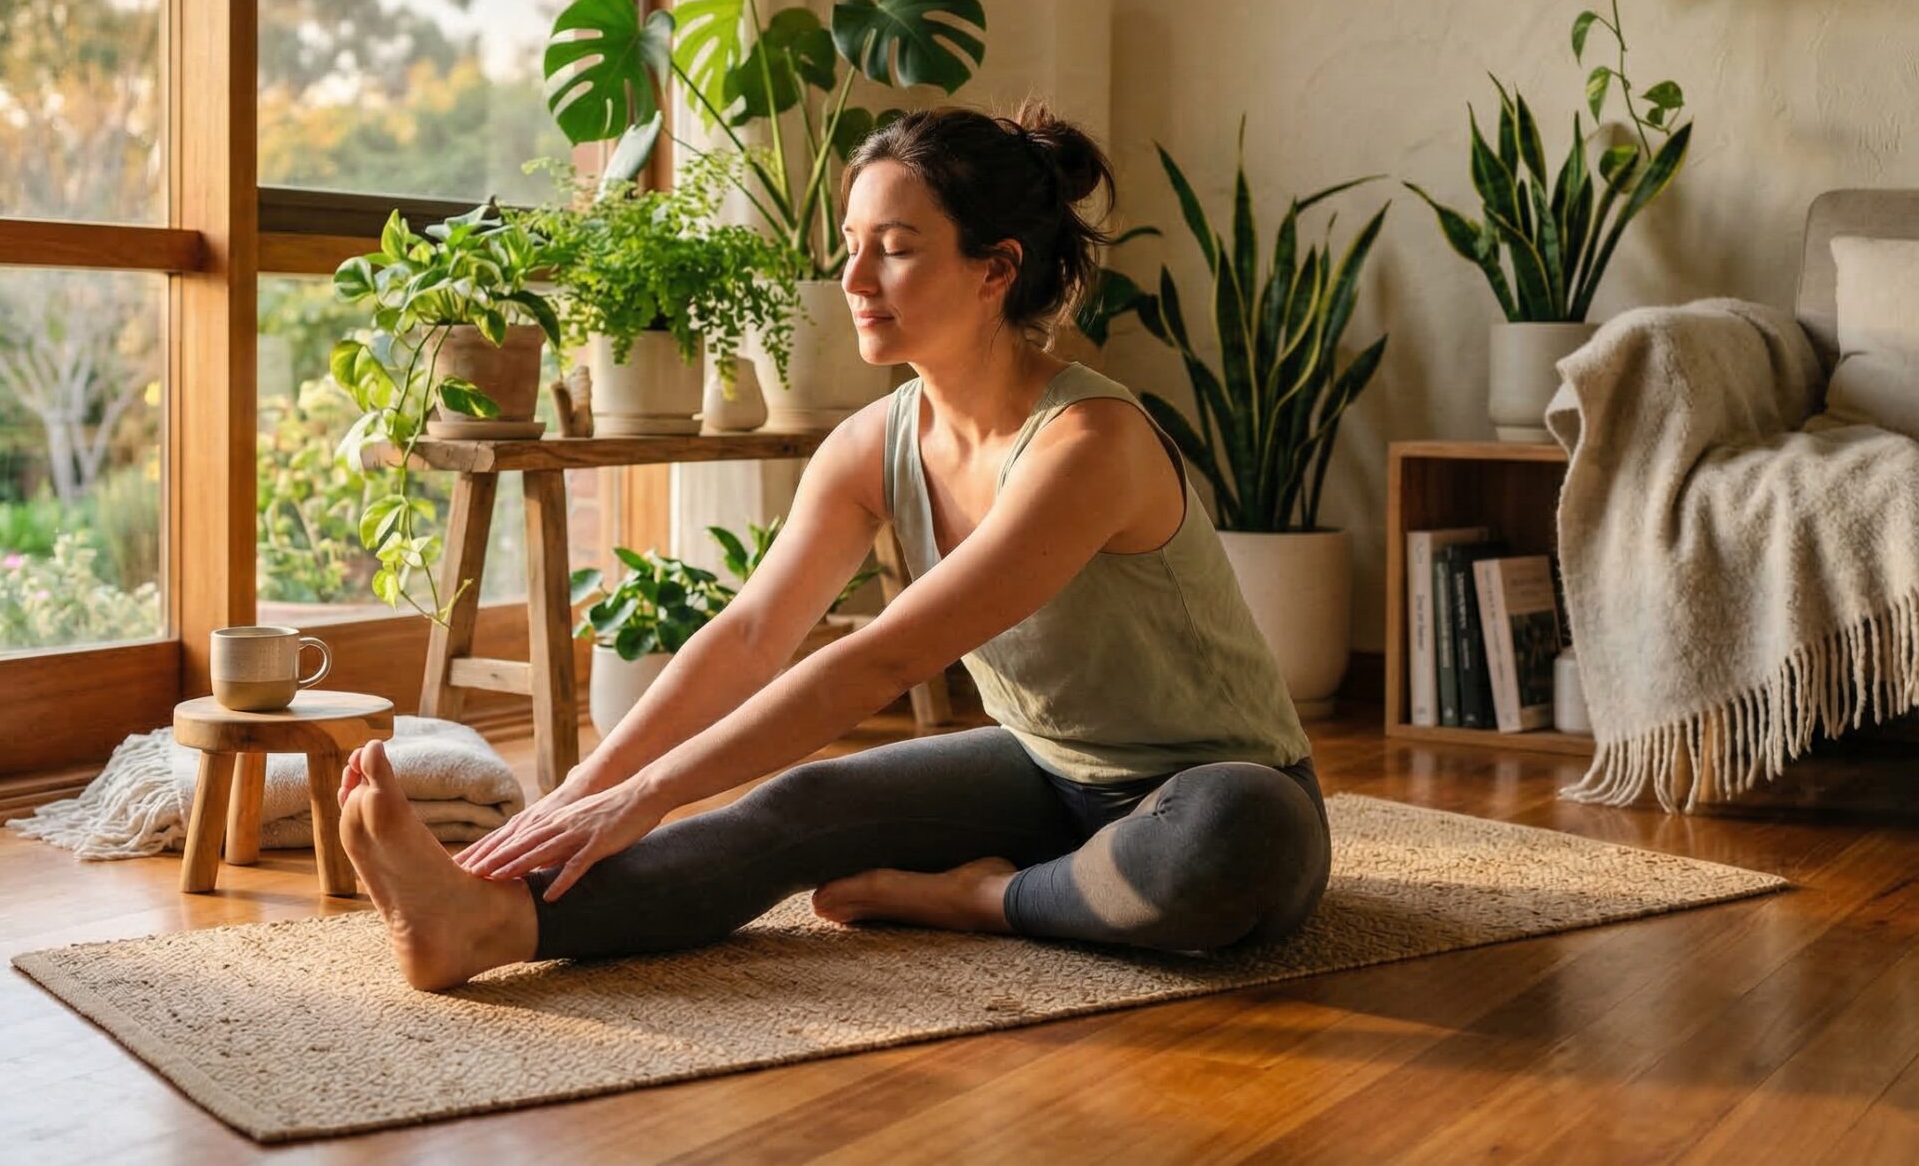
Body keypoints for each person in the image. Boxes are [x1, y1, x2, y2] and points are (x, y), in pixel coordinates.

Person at [332, 101, 1331, 992]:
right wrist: (586, 793)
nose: (852, 278)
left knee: (1232, 836)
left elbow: (887, 655)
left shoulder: (1088, 443)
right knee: (801, 803)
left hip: (1212, 794)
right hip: (1043, 774)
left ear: (996, 268)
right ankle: (486, 925)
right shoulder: (871, 444)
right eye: (849, 243)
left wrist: (650, 791)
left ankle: (978, 900)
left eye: (893, 247)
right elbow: (754, 631)